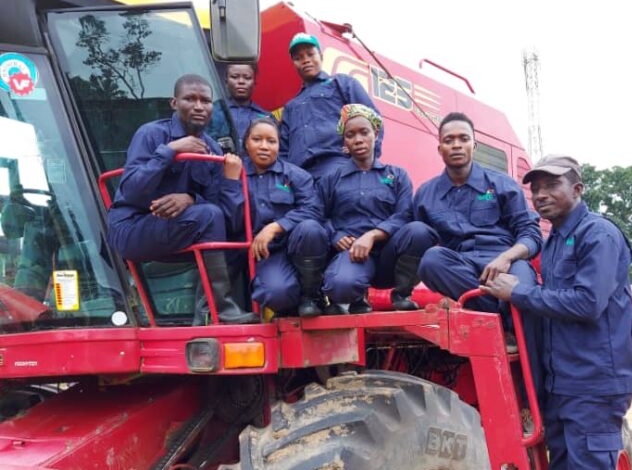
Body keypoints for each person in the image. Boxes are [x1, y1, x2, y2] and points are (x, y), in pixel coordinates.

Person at [481, 155, 632, 470]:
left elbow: (588, 302)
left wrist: (518, 293)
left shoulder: (599, 236)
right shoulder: (553, 242)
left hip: (594, 380)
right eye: (535, 188)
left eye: (552, 186)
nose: (541, 194)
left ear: (578, 188)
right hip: (566, 379)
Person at [107, 73, 258, 325]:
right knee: (209, 216)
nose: (199, 106)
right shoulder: (151, 134)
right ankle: (220, 309)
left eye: (206, 101)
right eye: (190, 99)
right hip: (133, 227)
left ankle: (207, 314)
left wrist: (191, 197)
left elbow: (223, 215)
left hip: (180, 229)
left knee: (239, 237)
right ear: (174, 103)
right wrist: (170, 151)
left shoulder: (212, 148)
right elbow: (132, 191)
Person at [414, 112, 543, 384]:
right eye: (449, 140)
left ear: (475, 145)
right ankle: (500, 318)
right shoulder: (426, 194)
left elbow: (531, 235)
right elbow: (412, 234)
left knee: (523, 283)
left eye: (463, 139)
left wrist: (506, 258)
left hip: (506, 261)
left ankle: (536, 382)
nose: (457, 145)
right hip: (464, 270)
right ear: (440, 148)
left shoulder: (502, 184)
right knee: (430, 260)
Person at [315, 104, 438, 313]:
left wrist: (373, 235)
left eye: (364, 132)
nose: (358, 139)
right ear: (344, 141)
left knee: (419, 230)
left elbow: (405, 214)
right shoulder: (331, 179)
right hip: (353, 254)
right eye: (350, 135)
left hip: (390, 254)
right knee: (340, 286)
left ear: (376, 133)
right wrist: (335, 235)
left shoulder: (397, 175)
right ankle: (356, 298)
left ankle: (402, 294)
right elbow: (318, 214)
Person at [241, 115, 329, 317]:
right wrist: (228, 182)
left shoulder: (296, 175)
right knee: (276, 293)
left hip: (297, 245)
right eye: (257, 140)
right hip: (266, 254)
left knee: (311, 228)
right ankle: (290, 307)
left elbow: (314, 210)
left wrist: (276, 226)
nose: (264, 146)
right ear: (246, 143)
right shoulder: (235, 175)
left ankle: (312, 296)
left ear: (279, 145)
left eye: (271, 141)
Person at [280, 33, 383, 180]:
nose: (305, 60)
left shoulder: (342, 83)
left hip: (337, 167)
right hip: (301, 178)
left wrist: (368, 159)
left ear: (321, 56)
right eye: (298, 58)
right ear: (294, 64)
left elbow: (373, 119)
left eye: (310, 54)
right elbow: (283, 150)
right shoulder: (291, 106)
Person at [224, 62, 268, 143]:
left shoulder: (266, 118)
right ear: (226, 81)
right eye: (234, 77)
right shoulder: (213, 113)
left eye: (247, 78)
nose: (241, 81)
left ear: (255, 83)